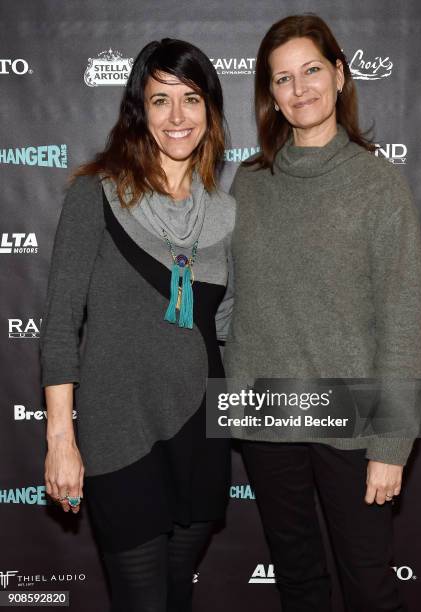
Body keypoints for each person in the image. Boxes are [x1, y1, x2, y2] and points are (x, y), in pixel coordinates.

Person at [224, 14, 421, 612]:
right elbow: (234, 295)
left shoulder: (378, 185)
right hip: (266, 408)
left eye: (311, 70)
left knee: (369, 586)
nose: (300, 88)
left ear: (339, 74)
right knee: (298, 581)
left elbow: (403, 321)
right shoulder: (250, 182)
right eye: (283, 79)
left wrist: (391, 446)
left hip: (353, 416)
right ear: (271, 95)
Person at [40, 38, 235, 612]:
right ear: (138, 110)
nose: (178, 117)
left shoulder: (227, 212)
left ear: (210, 110)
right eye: (160, 100)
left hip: (203, 431)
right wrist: (60, 441)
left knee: (176, 597)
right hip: (118, 433)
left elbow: (229, 326)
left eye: (191, 99)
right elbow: (59, 327)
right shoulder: (93, 195)